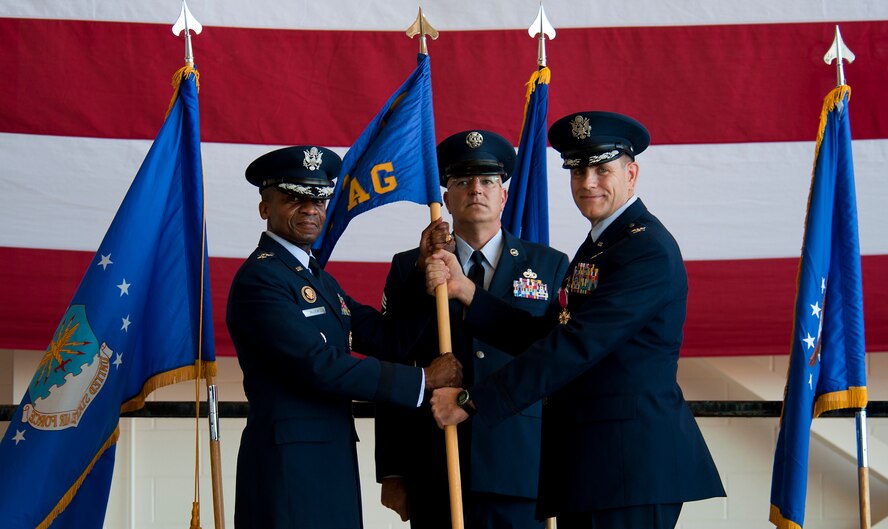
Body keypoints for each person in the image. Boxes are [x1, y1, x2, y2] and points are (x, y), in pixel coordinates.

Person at [427, 112, 726, 529]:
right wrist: (469, 293)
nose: (588, 183)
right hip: (594, 466)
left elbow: (577, 345)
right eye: (579, 170)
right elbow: (551, 332)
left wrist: (471, 400)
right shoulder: (602, 245)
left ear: (632, 174)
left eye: (603, 170)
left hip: (628, 468)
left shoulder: (646, 250)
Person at [226, 145, 462, 529]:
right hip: (289, 466)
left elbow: (386, 338)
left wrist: (422, 272)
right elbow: (319, 366)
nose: (310, 209)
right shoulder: (261, 280)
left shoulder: (314, 278)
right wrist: (424, 380)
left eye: (319, 198)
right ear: (265, 208)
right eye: (294, 198)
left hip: (327, 455)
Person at [374, 130, 569, 529]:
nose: (475, 190)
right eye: (462, 182)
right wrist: (393, 470)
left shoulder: (549, 265)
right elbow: (392, 363)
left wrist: (563, 466)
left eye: (487, 181)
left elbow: (556, 366)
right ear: (446, 199)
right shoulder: (409, 266)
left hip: (520, 466)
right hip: (436, 463)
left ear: (504, 195)